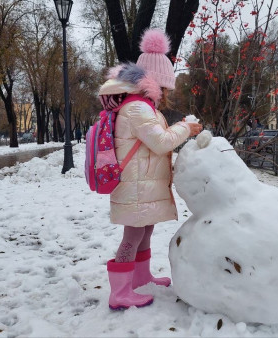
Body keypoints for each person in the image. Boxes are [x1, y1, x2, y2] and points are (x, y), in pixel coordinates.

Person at [97, 29, 202, 310]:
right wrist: (186, 128)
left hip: (141, 184)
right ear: (153, 83)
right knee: (132, 236)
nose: (166, 94)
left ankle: (140, 278)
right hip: (135, 185)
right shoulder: (137, 109)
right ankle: (119, 293)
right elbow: (160, 142)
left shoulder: (142, 107)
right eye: (165, 87)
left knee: (145, 232)